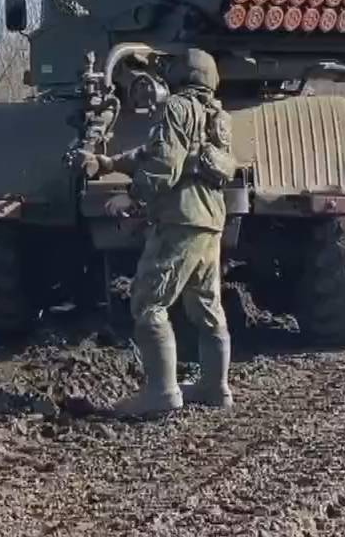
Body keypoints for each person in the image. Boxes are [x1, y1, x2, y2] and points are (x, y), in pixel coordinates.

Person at [75, 47, 235, 417]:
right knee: (206, 304)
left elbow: (164, 163)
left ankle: (161, 393)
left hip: (180, 219)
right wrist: (109, 162)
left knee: (148, 302)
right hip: (210, 219)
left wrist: (128, 197)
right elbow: (158, 151)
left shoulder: (176, 108)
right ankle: (215, 387)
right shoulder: (217, 116)